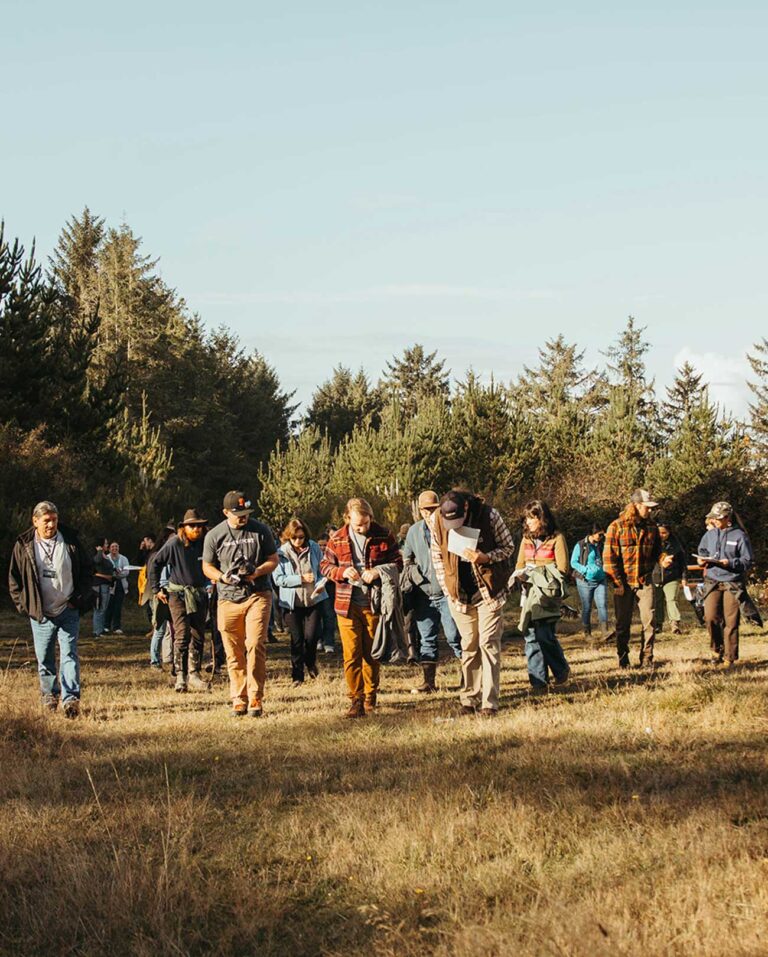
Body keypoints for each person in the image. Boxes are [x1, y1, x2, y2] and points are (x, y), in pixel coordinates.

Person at [431, 489, 515, 718]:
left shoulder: (489, 515)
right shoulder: (436, 520)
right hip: (459, 596)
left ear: (466, 508)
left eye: (458, 520)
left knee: (488, 643)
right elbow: (437, 556)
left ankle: (489, 703)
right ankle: (469, 699)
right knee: (469, 646)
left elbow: (509, 547)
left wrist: (485, 557)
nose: (455, 526)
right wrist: (448, 588)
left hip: (489, 592)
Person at [8, 501, 93, 717]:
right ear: (35, 521)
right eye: (46, 521)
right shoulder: (24, 545)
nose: (51, 525)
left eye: (54, 520)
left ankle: (71, 699)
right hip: (41, 613)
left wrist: (79, 598)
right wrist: (25, 606)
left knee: (69, 655)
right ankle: (49, 695)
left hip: (68, 608)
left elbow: (87, 570)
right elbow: (14, 579)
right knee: (44, 658)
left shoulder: (70, 540)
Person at [320, 498, 402, 718]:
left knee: (372, 653)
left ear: (370, 518)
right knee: (351, 653)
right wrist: (341, 573)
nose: (362, 528)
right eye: (357, 525)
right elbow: (325, 566)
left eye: (365, 524)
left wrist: (377, 572)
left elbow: (398, 562)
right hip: (346, 604)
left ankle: (370, 695)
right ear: (347, 518)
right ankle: (355, 699)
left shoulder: (384, 535)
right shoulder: (336, 538)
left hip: (373, 603)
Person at [202, 491, 279, 717]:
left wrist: (257, 571)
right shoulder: (214, 535)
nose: (243, 518)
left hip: (258, 593)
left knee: (255, 643)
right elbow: (207, 567)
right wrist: (222, 577)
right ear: (226, 512)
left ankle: (256, 696)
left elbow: (273, 560)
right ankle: (239, 697)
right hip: (227, 597)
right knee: (233, 650)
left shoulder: (261, 530)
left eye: (246, 513)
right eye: (238, 514)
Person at [402, 490, 462, 693]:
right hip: (423, 595)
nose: (429, 513)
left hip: (447, 593)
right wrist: (417, 578)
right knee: (426, 638)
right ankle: (429, 683)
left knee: (455, 636)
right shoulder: (413, 532)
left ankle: (468, 678)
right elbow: (406, 560)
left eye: (433, 509)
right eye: (425, 510)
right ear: (419, 511)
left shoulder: (449, 528)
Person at [150, 509, 210, 692]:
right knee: (182, 634)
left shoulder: (205, 542)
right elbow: (155, 563)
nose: (196, 529)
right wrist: (156, 589)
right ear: (184, 527)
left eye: (199, 526)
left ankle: (194, 674)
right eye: (192, 526)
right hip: (178, 594)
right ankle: (180, 676)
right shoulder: (174, 543)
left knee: (198, 635)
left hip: (200, 593)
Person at [603, 489, 662, 669]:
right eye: (647, 507)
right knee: (623, 624)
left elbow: (657, 552)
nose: (650, 511)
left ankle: (647, 658)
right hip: (624, 583)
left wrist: (663, 558)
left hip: (644, 581)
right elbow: (608, 558)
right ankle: (623, 658)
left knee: (650, 622)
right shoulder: (616, 526)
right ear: (636, 506)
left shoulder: (652, 527)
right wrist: (617, 582)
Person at [516, 500, 571, 690]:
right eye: (527, 518)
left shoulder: (557, 538)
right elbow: (519, 564)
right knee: (530, 636)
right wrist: (521, 574)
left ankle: (561, 670)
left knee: (544, 634)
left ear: (542, 518)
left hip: (547, 594)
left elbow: (563, 568)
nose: (528, 522)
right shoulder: (525, 539)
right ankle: (538, 682)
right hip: (528, 593)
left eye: (532, 518)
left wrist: (539, 573)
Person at [273, 518, 329, 687]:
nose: (298, 541)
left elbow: (323, 569)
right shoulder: (281, 553)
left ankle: (310, 663)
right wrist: (300, 579)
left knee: (311, 638)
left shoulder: (314, 548)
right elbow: (278, 579)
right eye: (295, 537)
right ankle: (297, 675)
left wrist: (321, 583)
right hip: (291, 603)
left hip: (314, 599)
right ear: (288, 537)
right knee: (296, 640)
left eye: (301, 537)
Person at [697, 501, 754, 667]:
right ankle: (716, 650)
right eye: (713, 518)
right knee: (710, 617)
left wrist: (729, 563)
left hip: (732, 582)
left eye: (718, 518)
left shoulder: (740, 536)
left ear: (727, 518)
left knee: (731, 621)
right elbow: (702, 551)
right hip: (712, 580)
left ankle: (730, 657)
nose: (714, 521)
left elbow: (747, 560)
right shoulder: (709, 535)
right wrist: (701, 560)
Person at [570, 525, 611, 640]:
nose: (601, 537)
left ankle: (605, 632)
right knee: (587, 607)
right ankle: (587, 633)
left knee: (602, 605)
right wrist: (585, 570)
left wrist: (607, 537)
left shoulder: (601, 544)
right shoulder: (581, 545)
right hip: (585, 581)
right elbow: (573, 562)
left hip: (600, 579)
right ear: (592, 534)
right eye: (600, 534)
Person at [653, 521, 688, 635]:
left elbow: (683, 563)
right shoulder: (651, 544)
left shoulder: (676, 545)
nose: (662, 535)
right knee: (657, 601)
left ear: (669, 533)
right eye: (659, 533)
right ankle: (658, 624)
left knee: (672, 599)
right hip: (655, 577)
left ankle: (674, 624)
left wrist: (684, 577)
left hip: (671, 576)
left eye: (664, 533)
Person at [104, 541, 130, 634]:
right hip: (110, 585)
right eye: (112, 547)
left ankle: (116, 626)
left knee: (118, 607)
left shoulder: (124, 558)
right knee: (109, 606)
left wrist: (118, 575)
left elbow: (127, 571)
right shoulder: (106, 558)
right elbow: (105, 571)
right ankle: (106, 625)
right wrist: (113, 574)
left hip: (121, 585)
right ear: (110, 548)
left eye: (116, 547)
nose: (114, 548)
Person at [92, 538, 114, 638]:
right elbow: (97, 561)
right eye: (105, 543)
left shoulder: (106, 556)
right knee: (99, 607)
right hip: (99, 585)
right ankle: (97, 631)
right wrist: (99, 551)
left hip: (107, 585)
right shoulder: (98, 555)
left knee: (104, 607)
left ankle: (101, 628)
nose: (107, 545)